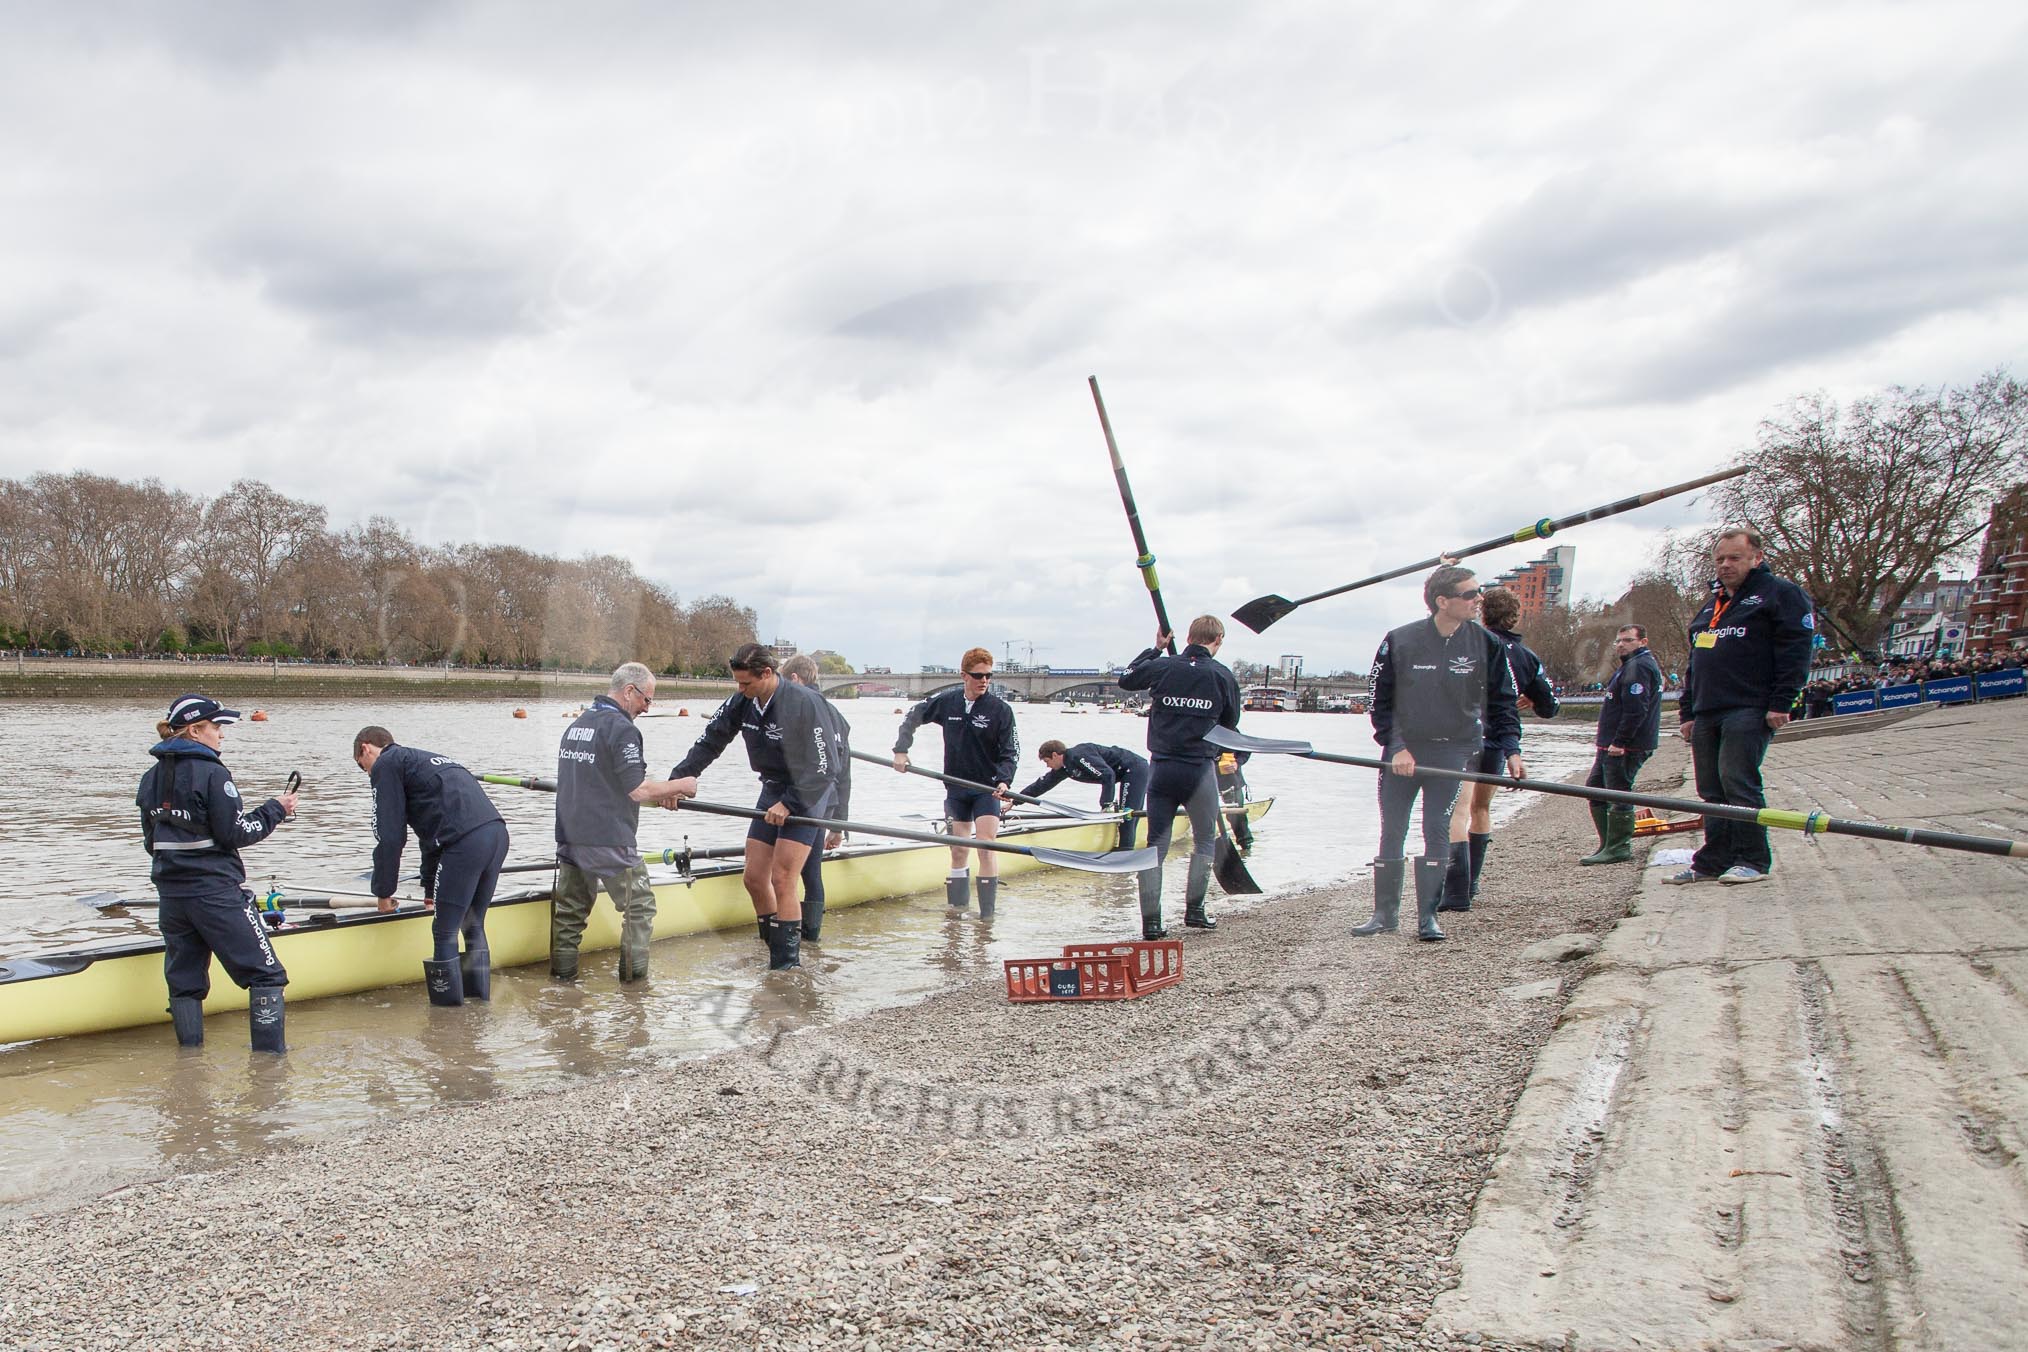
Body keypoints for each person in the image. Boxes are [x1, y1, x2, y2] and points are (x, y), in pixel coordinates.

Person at [1362, 566, 1521, 942]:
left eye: (1478, 592)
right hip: (1403, 753)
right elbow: (1380, 701)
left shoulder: (1487, 644)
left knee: (1436, 829)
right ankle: (1384, 914)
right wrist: (1396, 745)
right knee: (1393, 831)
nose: (1477, 600)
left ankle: (1428, 917)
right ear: (1442, 601)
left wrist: (1512, 749)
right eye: (1469, 594)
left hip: (1452, 751)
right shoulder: (1399, 641)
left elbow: (1503, 703)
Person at [136, 694, 298, 1052]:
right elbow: (234, 833)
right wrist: (276, 809)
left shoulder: (150, 777)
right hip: (216, 893)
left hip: (172, 896)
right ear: (196, 730)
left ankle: (189, 1065)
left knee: (185, 983)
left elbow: (151, 842)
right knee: (267, 975)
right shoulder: (213, 772)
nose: (221, 735)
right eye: (217, 727)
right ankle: (270, 1072)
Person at [671, 644, 839, 969]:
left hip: (806, 793)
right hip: (771, 789)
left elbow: (826, 767)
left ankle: (786, 966)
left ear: (767, 673)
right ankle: (770, 947)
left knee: (783, 878)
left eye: (746, 683)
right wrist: (679, 779)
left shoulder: (805, 703)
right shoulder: (742, 701)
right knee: (753, 877)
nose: (740, 690)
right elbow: (711, 740)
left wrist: (791, 804)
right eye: (737, 683)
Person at [1670, 527, 1814, 885]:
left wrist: (1782, 702)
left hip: (1749, 705)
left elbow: (1796, 652)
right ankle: (1713, 858)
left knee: (1738, 782)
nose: (1725, 565)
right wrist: (1688, 711)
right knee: (1710, 788)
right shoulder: (1712, 604)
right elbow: (1695, 662)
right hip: (1708, 709)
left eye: (1734, 558)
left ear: (1756, 558)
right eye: (1719, 559)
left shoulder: (1780, 595)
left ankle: (1752, 858)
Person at [352, 727, 511, 1006]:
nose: (365, 773)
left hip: (466, 842)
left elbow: (389, 836)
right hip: (496, 834)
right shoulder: (421, 760)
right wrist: (429, 888)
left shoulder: (386, 764)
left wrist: (384, 890)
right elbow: (430, 835)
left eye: (361, 766)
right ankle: (479, 1006)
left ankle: (448, 1019)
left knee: (444, 930)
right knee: (472, 924)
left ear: (366, 748)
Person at [553, 663, 690, 982]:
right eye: (647, 699)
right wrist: (680, 785)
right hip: (608, 838)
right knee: (639, 906)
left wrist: (660, 793)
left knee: (570, 914)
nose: (647, 707)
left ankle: (562, 982)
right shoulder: (623, 728)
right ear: (629, 691)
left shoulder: (578, 725)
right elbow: (637, 788)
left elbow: (601, 779)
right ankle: (633, 988)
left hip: (571, 835)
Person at [1117, 615, 1242, 938]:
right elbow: (1230, 725)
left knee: (1155, 845)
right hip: (1199, 770)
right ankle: (1195, 911)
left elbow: (1126, 679)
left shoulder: (1165, 666)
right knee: (1203, 839)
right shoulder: (1222, 675)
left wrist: (1155, 649)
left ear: (1188, 637)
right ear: (1218, 640)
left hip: (1161, 769)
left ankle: (1152, 924)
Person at [1441, 586, 1558, 909]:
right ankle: (1472, 884)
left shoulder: (1468, 642)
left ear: (1482, 612)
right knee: (1481, 809)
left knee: (1457, 812)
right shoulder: (1527, 657)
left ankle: (1456, 892)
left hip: (1464, 737)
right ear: (1515, 616)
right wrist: (1530, 699)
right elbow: (1550, 707)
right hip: (1497, 740)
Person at [892, 647, 1019, 915]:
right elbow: (912, 717)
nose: (984, 681)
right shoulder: (947, 702)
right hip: (956, 788)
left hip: (988, 789)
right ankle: (957, 913)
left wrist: (1005, 782)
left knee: (986, 846)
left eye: (988, 675)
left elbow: (1011, 752)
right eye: (978, 675)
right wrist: (901, 750)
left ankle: (986, 917)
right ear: (964, 676)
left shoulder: (1000, 710)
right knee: (958, 850)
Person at [781, 653, 852, 945]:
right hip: (828, 801)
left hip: (805, 798)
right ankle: (811, 941)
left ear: (795, 679)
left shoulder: (799, 708)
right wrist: (839, 825)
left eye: (785, 683)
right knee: (812, 872)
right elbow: (845, 774)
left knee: (792, 873)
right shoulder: (839, 717)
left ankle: (793, 941)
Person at [1578, 625, 1663, 865]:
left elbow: (1637, 709)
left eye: (1627, 640)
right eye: (1618, 641)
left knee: (1617, 791)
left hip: (1626, 745)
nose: (1621, 645)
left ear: (1643, 642)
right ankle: (1607, 842)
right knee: (1594, 788)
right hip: (1610, 744)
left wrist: (1620, 742)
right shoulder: (1629, 666)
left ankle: (1618, 847)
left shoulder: (1639, 667)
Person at [1017, 740, 1151, 848]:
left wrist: (1106, 805)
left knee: (1126, 816)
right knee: (1123, 814)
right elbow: (1042, 784)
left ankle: (1126, 853)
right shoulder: (1064, 768)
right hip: (1123, 773)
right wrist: (1015, 801)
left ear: (1055, 755)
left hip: (1134, 769)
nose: (1047, 766)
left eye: (1047, 761)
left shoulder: (1078, 755)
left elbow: (1108, 775)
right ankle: (1118, 846)